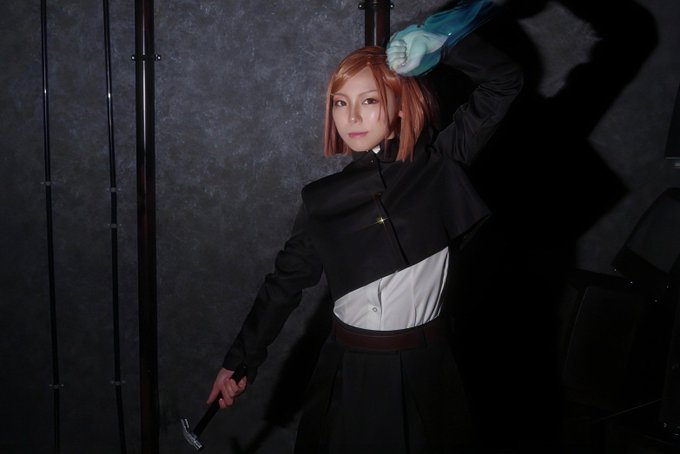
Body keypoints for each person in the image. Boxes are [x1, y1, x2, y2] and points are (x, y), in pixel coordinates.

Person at [207, 1, 522, 452]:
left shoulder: (441, 164)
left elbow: (504, 82)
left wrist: (445, 45)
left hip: (428, 370)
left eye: (369, 100)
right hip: (348, 371)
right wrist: (239, 362)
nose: (351, 117)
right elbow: (285, 283)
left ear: (400, 106)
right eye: (341, 102)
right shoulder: (321, 201)